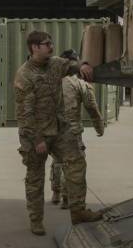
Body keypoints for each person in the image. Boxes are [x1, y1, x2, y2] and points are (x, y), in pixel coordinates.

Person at [13, 31, 101, 236]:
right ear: (34, 47)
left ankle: (78, 211)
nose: (51, 47)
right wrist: (38, 140)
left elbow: (71, 65)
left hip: (60, 129)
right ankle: (36, 220)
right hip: (36, 134)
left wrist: (83, 65)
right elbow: (25, 114)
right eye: (46, 44)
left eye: (51, 43)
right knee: (35, 178)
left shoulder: (55, 63)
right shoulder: (24, 75)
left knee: (77, 162)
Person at [53, 49, 105, 209]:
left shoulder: (51, 81)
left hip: (53, 130)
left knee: (57, 161)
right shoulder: (79, 84)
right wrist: (99, 126)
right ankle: (67, 197)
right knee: (73, 164)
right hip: (71, 131)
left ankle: (55, 192)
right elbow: (92, 108)